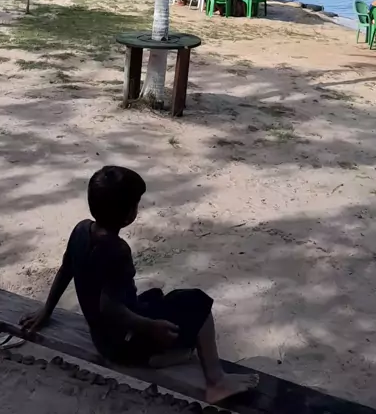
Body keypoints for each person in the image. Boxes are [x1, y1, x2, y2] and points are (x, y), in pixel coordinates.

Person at [20, 166, 258, 404]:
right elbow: (109, 307)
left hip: (102, 338)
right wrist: (150, 327)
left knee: (156, 296)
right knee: (197, 302)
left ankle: (161, 355)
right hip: (124, 342)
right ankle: (216, 381)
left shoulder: (81, 230)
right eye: (136, 204)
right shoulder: (117, 250)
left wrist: (47, 310)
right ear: (128, 215)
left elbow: (66, 269)